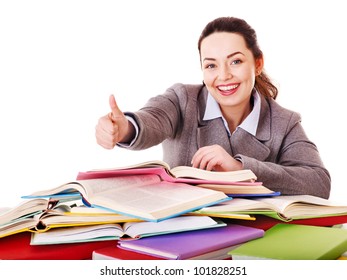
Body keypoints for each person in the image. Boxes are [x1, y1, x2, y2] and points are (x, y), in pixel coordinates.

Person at [95, 16, 331, 199]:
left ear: (257, 64)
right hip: (183, 234)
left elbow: (319, 182)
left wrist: (240, 168)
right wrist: (125, 129)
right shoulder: (182, 99)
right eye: (211, 66)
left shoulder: (283, 122)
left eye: (235, 61)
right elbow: (152, 119)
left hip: (252, 237)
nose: (224, 76)